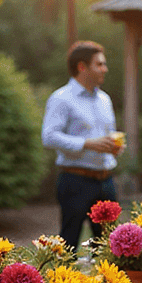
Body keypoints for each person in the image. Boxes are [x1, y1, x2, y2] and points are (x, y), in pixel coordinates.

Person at [41, 40, 124, 253]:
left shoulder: (105, 99)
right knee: (67, 247)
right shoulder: (61, 99)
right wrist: (88, 144)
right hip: (74, 182)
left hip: (106, 182)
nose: (105, 69)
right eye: (100, 64)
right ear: (82, 67)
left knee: (109, 248)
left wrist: (113, 147)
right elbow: (48, 137)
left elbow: (106, 137)